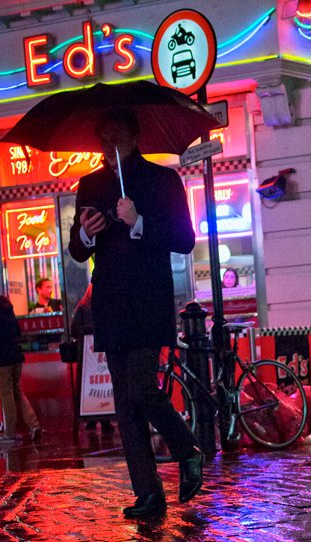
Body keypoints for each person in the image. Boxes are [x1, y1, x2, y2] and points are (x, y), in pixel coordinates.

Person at [68, 107, 203, 520]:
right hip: (111, 304)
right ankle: (148, 493)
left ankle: (186, 449)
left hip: (148, 301)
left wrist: (139, 220)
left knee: (143, 387)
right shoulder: (90, 184)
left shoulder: (162, 180)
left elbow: (184, 239)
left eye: (116, 137)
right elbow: (77, 250)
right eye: (102, 140)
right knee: (124, 404)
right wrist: (87, 233)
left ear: (133, 136)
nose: (108, 148)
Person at [0, 278, 41, 445]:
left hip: (0, 359)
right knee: (17, 392)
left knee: (6, 395)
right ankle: (33, 425)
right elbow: (17, 331)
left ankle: (10, 433)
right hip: (15, 356)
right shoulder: (6, 307)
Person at [70, 284, 115, 435]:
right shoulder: (108, 304)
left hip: (88, 357)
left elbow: (74, 329)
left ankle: (90, 417)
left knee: (89, 385)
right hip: (105, 352)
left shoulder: (83, 307)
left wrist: (85, 335)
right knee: (105, 383)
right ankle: (105, 420)